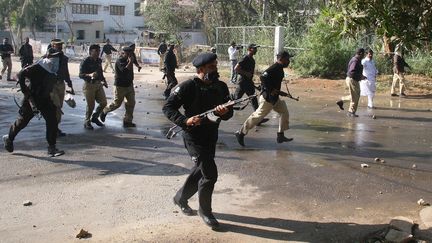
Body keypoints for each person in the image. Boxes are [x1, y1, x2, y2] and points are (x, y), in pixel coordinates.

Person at [163, 53, 233, 229]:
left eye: (216, 66)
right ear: (200, 70)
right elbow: (168, 107)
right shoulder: (188, 86)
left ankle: (180, 198)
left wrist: (225, 112)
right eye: (211, 67)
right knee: (210, 174)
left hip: (211, 135)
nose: (215, 69)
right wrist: (185, 121)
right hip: (193, 137)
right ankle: (205, 211)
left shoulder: (221, 86)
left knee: (201, 171)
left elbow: (229, 111)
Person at [2, 53, 65, 157]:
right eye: (55, 59)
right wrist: (25, 91)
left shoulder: (54, 69)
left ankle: (52, 148)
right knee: (22, 122)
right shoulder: (37, 67)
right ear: (48, 58)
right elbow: (21, 74)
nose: (56, 62)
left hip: (45, 99)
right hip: (32, 100)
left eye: (58, 60)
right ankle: (9, 138)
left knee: (52, 121)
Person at [235, 51, 294, 146]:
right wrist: (270, 90)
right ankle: (240, 133)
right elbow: (263, 77)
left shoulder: (279, 68)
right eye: (287, 59)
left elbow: (271, 82)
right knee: (257, 117)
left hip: (274, 99)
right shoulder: (274, 67)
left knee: (284, 111)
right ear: (281, 59)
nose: (288, 61)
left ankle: (280, 135)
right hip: (268, 99)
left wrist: (278, 92)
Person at [100, 47, 137, 128]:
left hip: (129, 85)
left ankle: (127, 121)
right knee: (117, 104)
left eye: (131, 54)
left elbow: (134, 62)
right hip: (120, 86)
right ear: (124, 53)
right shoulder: (119, 61)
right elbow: (124, 72)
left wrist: (136, 64)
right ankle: (104, 111)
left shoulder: (130, 59)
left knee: (131, 103)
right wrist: (130, 62)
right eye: (129, 54)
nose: (131, 56)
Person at [232, 44, 269, 125]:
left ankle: (258, 119)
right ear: (249, 49)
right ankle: (221, 112)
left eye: (256, 48)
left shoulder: (251, 59)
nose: (256, 50)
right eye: (254, 48)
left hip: (248, 82)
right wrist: (246, 73)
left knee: (253, 99)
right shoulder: (245, 57)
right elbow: (236, 68)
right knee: (235, 100)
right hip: (243, 82)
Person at [47, 39, 74, 137]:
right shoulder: (48, 57)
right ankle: (53, 129)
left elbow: (65, 71)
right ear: (53, 46)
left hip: (61, 84)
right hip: (52, 85)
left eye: (61, 45)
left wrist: (70, 84)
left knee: (59, 107)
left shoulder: (63, 58)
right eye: (58, 45)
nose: (60, 47)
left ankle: (55, 128)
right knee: (56, 107)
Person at [79, 44, 108, 130]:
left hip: (98, 84)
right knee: (91, 105)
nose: (98, 53)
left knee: (103, 103)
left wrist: (104, 81)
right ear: (91, 51)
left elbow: (100, 72)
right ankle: (87, 121)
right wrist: (89, 74)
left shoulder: (99, 60)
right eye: (96, 51)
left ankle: (95, 117)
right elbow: (80, 75)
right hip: (89, 85)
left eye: (99, 51)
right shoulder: (85, 61)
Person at [336, 48, 366, 117]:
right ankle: (351, 112)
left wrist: (361, 76)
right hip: (352, 80)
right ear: (361, 53)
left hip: (353, 80)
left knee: (355, 95)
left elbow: (355, 72)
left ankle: (342, 101)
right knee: (355, 96)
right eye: (364, 54)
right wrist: (360, 77)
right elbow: (352, 72)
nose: (364, 55)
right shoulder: (355, 61)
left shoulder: (357, 60)